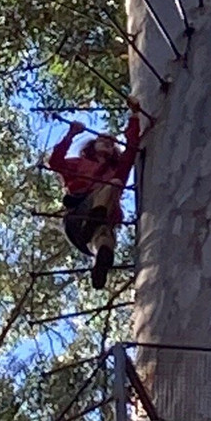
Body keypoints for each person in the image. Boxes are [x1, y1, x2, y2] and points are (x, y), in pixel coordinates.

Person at [47, 100, 142, 289]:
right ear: (92, 145)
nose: (107, 143)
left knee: (105, 239)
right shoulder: (78, 164)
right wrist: (71, 134)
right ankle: (95, 218)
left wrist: (134, 116)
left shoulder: (117, 169)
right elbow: (55, 162)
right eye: (102, 140)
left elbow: (132, 148)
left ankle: (100, 259)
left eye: (111, 143)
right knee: (113, 185)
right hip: (79, 214)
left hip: (91, 230)